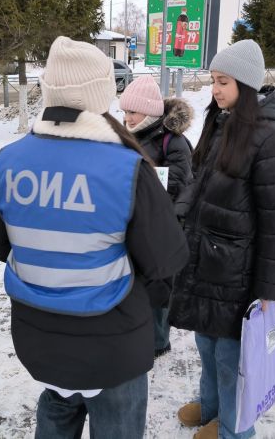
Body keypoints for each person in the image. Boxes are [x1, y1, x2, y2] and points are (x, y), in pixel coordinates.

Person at [0, 36, 189, 439]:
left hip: (39, 338)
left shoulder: (8, 160)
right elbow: (167, 260)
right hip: (112, 346)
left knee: (56, 412)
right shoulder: (127, 167)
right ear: (102, 94)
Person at [168, 40, 275, 439]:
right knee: (207, 344)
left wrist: (269, 289)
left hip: (239, 271)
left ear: (246, 83)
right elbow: (197, 183)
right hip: (208, 260)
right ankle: (211, 410)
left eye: (222, 81)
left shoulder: (270, 137)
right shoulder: (221, 122)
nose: (215, 89)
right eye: (213, 81)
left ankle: (233, 430)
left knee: (229, 356)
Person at [119, 75, 193, 358]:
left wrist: (144, 181)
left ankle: (159, 341)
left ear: (149, 112)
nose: (127, 118)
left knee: (160, 286)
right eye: (124, 112)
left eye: (133, 112)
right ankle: (140, 335)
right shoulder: (126, 136)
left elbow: (181, 182)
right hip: (133, 222)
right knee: (137, 283)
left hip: (163, 223)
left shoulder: (172, 142)